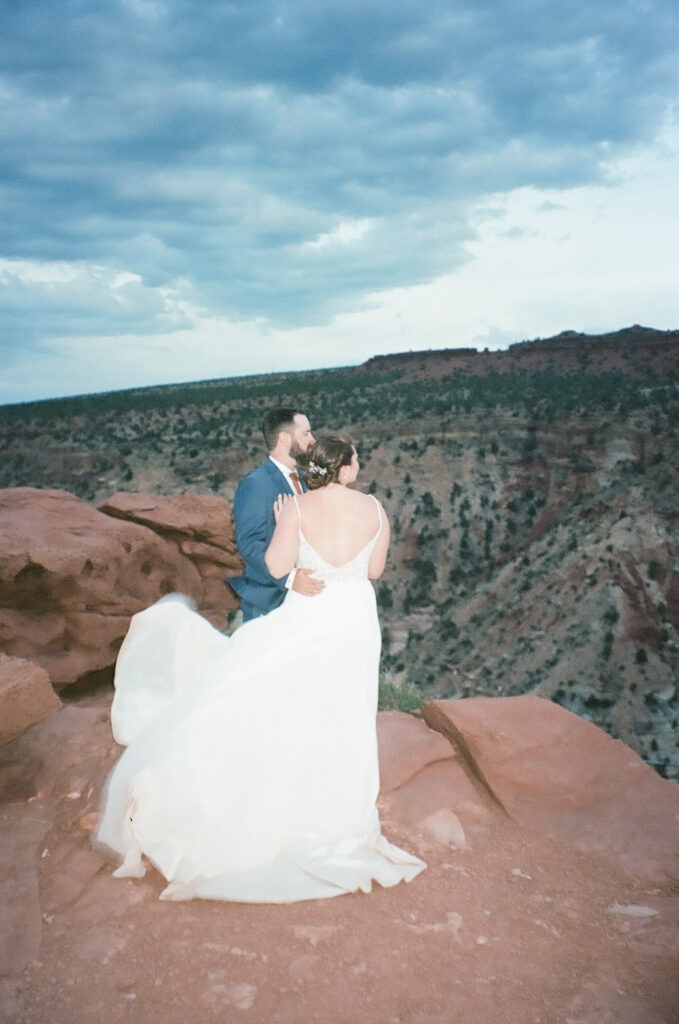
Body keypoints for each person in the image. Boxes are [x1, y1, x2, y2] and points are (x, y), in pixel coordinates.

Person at [96, 433, 425, 903]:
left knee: (288, 697)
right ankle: (336, 810)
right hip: (353, 619)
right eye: (356, 460)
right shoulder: (375, 509)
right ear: (347, 469)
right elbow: (373, 572)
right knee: (345, 712)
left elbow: (274, 565)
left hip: (310, 610)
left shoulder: (297, 506)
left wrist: (291, 551)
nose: (359, 465)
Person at [228, 407, 325, 622]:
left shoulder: (306, 479)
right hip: (270, 606)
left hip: (308, 603)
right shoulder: (256, 484)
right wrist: (290, 579)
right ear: (284, 438)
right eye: (306, 433)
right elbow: (250, 544)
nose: (312, 440)